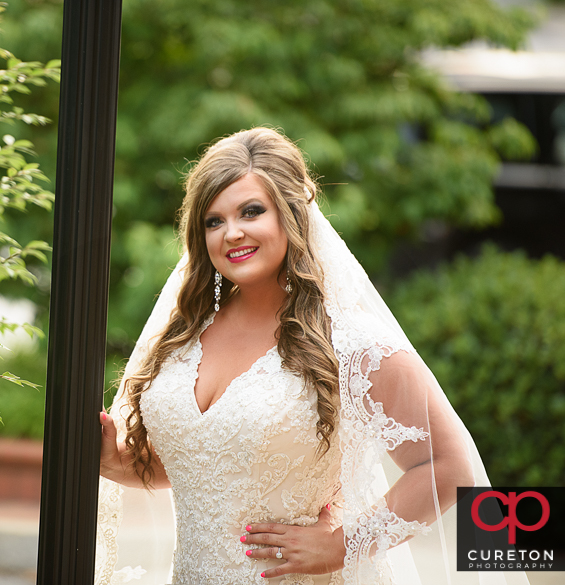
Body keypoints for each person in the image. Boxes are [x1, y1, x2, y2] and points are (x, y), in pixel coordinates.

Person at [95, 128, 529, 585]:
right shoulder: (184, 333)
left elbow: (450, 464)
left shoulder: (350, 341)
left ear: (292, 215)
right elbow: (206, 463)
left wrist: (343, 545)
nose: (232, 232)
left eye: (251, 211)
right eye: (213, 221)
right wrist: (117, 461)